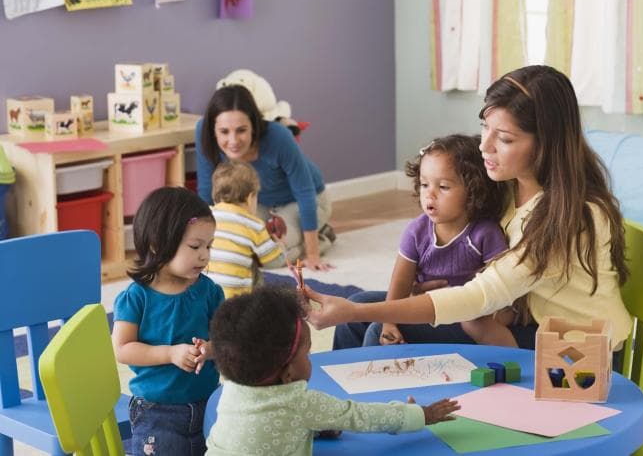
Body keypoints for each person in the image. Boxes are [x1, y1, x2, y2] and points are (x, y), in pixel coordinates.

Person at [305, 65, 633, 354]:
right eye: (484, 127)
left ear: (545, 144)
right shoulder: (506, 188)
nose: (484, 145)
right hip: (520, 318)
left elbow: (480, 296)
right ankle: (337, 411)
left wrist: (359, 311)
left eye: (503, 138)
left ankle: (376, 416)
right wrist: (402, 297)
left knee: (375, 325)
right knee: (364, 307)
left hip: (573, 348)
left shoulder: (572, 216)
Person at [205, 288, 460, 456]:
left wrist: (315, 427)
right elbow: (362, 416)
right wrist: (420, 414)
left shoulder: (231, 388)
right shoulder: (300, 403)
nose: (310, 358)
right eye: (306, 354)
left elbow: (265, 426)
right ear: (288, 374)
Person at [333, 134, 519, 350]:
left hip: (464, 316)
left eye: (443, 187)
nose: (429, 194)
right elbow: (400, 284)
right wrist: (389, 321)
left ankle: (370, 382)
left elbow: (505, 290)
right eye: (424, 184)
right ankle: (336, 378)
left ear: (473, 192)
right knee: (355, 306)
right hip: (425, 304)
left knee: (377, 332)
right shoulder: (416, 231)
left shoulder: (484, 234)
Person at [112, 186, 225, 456]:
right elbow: (122, 348)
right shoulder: (136, 297)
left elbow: (228, 338)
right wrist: (170, 353)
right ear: (157, 244)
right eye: (195, 246)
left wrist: (210, 350)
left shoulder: (209, 291)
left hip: (211, 403)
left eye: (209, 246)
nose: (204, 255)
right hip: (157, 411)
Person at [196, 84, 334, 271]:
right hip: (256, 204)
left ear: (254, 125)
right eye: (224, 132)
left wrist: (312, 255)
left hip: (303, 202)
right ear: (213, 129)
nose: (233, 141)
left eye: (241, 130)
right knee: (241, 249)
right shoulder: (203, 132)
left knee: (270, 257)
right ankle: (305, 235)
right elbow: (206, 192)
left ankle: (321, 238)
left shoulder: (278, 136)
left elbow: (305, 192)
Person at [207, 161, 287, 298]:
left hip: (206, 297)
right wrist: (281, 246)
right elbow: (274, 262)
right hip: (237, 302)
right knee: (256, 271)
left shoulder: (206, 216)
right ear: (251, 198)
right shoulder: (254, 224)